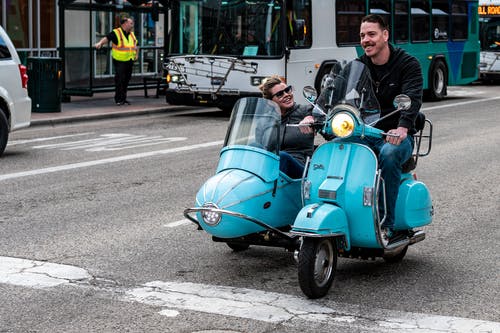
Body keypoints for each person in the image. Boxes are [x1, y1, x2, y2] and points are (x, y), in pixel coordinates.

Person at [357, 14, 423, 241]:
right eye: (362, 35)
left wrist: (403, 127)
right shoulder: (358, 66)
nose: (366, 40)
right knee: (334, 148)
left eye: (371, 34)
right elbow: (338, 96)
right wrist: (317, 116)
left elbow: (412, 98)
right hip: (365, 132)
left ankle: (387, 223)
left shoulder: (407, 64)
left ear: (385, 35)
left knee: (390, 153)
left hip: (394, 135)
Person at [259, 75, 315, 178]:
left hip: (301, 168)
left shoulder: (305, 110)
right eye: (280, 94)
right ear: (271, 102)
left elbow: (318, 117)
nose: (286, 95)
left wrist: (310, 119)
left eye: (287, 90)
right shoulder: (265, 121)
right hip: (271, 169)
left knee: (282, 156)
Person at [95, 15, 138, 106]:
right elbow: (107, 38)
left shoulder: (131, 34)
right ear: (125, 24)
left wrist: (136, 54)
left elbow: (135, 45)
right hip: (119, 61)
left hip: (129, 60)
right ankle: (118, 99)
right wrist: (100, 43)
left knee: (126, 80)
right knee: (120, 80)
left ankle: (123, 98)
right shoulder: (117, 32)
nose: (132, 25)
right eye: (131, 23)